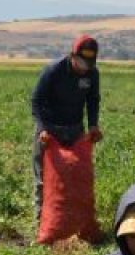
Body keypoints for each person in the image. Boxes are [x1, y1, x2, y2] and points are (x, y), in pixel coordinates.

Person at [30, 34, 103, 221]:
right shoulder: (54, 70)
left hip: (74, 130)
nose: (85, 67)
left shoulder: (92, 74)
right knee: (44, 177)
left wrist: (93, 125)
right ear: (73, 55)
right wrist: (42, 128)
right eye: (82, 61)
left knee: (74, 175)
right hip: (49, 131)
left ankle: (72, 219)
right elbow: (36, 101)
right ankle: (42, 222)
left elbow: (93, 100)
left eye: (89, 62)